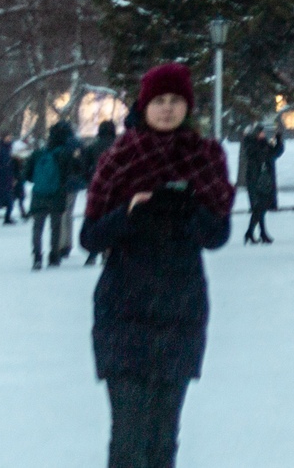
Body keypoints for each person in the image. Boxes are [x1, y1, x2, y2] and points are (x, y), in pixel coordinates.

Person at [80, 62, 233, 468]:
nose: (167, 109)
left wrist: (189, 211)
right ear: (144, 105)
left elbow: (217, 235)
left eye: (176, 101)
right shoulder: (119, 158)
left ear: (188, 106)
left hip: (179, 314)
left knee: (163, 441)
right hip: (123, 313)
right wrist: (128, 214)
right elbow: (90, 237)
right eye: (159, 101)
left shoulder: (206, 157)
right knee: (129, 441)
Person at [28, 122, 79, 268]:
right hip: (57, 194)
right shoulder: (64, 154)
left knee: (37, 227)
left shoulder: (38, 154)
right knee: (55, 226)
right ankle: (54, 256)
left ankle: (37, 257)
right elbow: (71, 173)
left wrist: (39, 181)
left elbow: (27, 175)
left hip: (39, 194)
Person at [237, 125, 282, 245]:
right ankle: (254, 232)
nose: (263, 135)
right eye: (261, 133)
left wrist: (279, 140)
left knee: (261, 207)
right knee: (258, 207)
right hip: (255, 179)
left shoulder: (264, 143)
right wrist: (266, 149)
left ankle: (256, 233)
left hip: (264, 179)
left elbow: (275, 153)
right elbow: (259, 155)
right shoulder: (250, 143)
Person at [82, 120, 119, 265]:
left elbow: (84, 168)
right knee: (112, 219)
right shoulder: (118, 145)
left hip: (96, 187)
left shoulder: (92, 147)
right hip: (115, 188)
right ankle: (107, 250)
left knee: (95, 218)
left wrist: (90, 181)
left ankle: (93, 253)